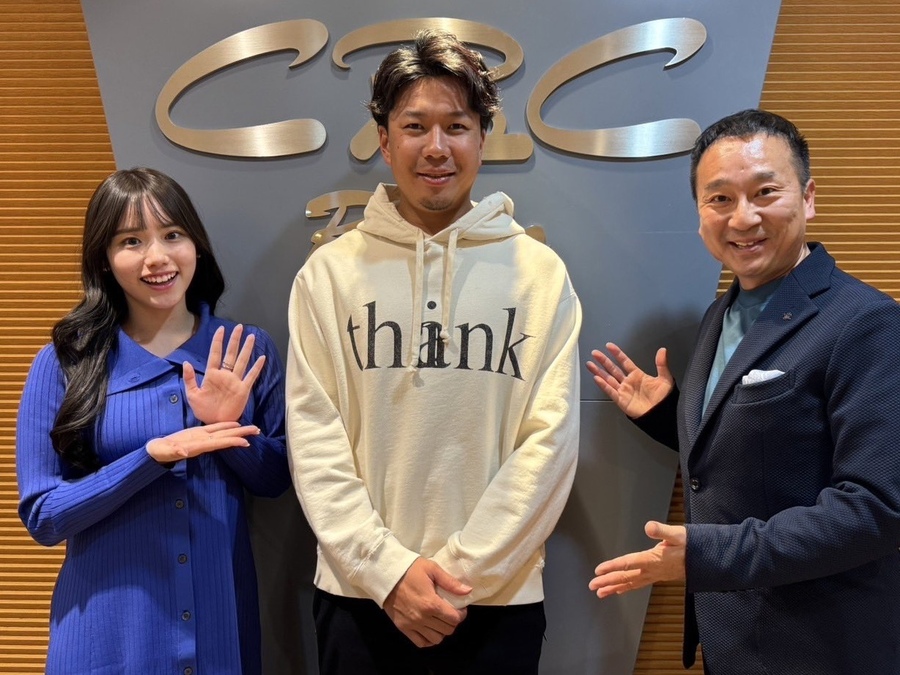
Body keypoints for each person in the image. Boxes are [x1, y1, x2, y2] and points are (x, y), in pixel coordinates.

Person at [286, 29, 581, 674]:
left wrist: (460, 575)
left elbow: (550, 443)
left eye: (457, 125)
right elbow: (313, 436)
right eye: (415, 126)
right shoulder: (327, 276)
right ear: (384, 140)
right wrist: (387, 573)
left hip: (495, 601)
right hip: (360, 595)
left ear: (483, 137)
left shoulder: (540, 276)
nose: (437, 147)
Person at [586, 109, 900, 674]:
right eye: (720, 199)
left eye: (765, 192)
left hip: (821, 647)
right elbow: (766, 450)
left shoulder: (867, 322)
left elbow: (877, 507)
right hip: (732, 641)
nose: (743, 217)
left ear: (808, 198)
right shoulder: (719, 314)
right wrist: (669, 418)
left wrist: (709, 554)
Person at [16, 168, 291, 675]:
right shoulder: (65, 361)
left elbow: (276, 482)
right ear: (104, 257)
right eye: (131, 241)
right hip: (105, 632)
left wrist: (230, 433)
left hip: (218, 627)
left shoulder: (245, 350)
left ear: (196, 245)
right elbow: (44, 515)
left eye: (172, 234)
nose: (157, 257)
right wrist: (151, 457)